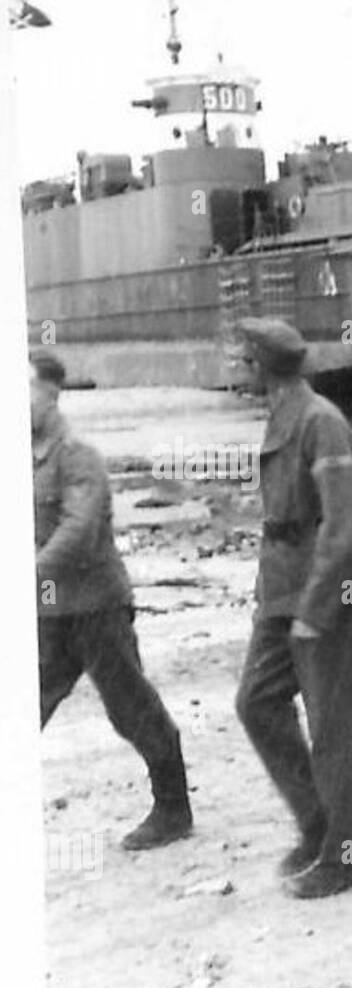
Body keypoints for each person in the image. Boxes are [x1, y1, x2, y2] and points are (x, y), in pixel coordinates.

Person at [233, 318, 352, 899]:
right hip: (283, 591)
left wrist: (316, 610)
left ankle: (348, 854)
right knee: (256, 702)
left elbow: (344, 527)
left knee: (336, 729)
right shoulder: (281, 415)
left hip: (327, 593)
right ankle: (319, 822)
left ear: (263, 367)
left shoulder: (321, 422)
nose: (236, 366)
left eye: (242, 359)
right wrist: (271, 600)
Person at [32, 353, 194, 851]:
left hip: (97, 608)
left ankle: (173, 808)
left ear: (51, 395)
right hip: (50, 610)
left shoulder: (77, 455)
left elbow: (79, 530)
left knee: (130, 707)